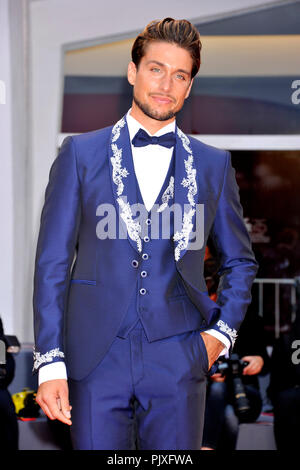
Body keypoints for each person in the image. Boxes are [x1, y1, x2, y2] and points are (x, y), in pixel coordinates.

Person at [33, 18, 258, 450]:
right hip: (95, 357)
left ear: (190, 87)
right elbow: (52, 265)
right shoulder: (79, 153)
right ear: (133, 71)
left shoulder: (214, 164)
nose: (166, 84)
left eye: (180, 75)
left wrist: (221, 335)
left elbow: (240, 262)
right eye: (156, 69)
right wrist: (49, 363)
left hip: (179, 355)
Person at [201, 307, 269, 450]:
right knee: (229, 415)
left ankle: (206, 447)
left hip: (245, 396)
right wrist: (207, 373)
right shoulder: (200, 319)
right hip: (211, 399)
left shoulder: (250, 318)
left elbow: (267, 364)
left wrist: (259, 361)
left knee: (219, 390)